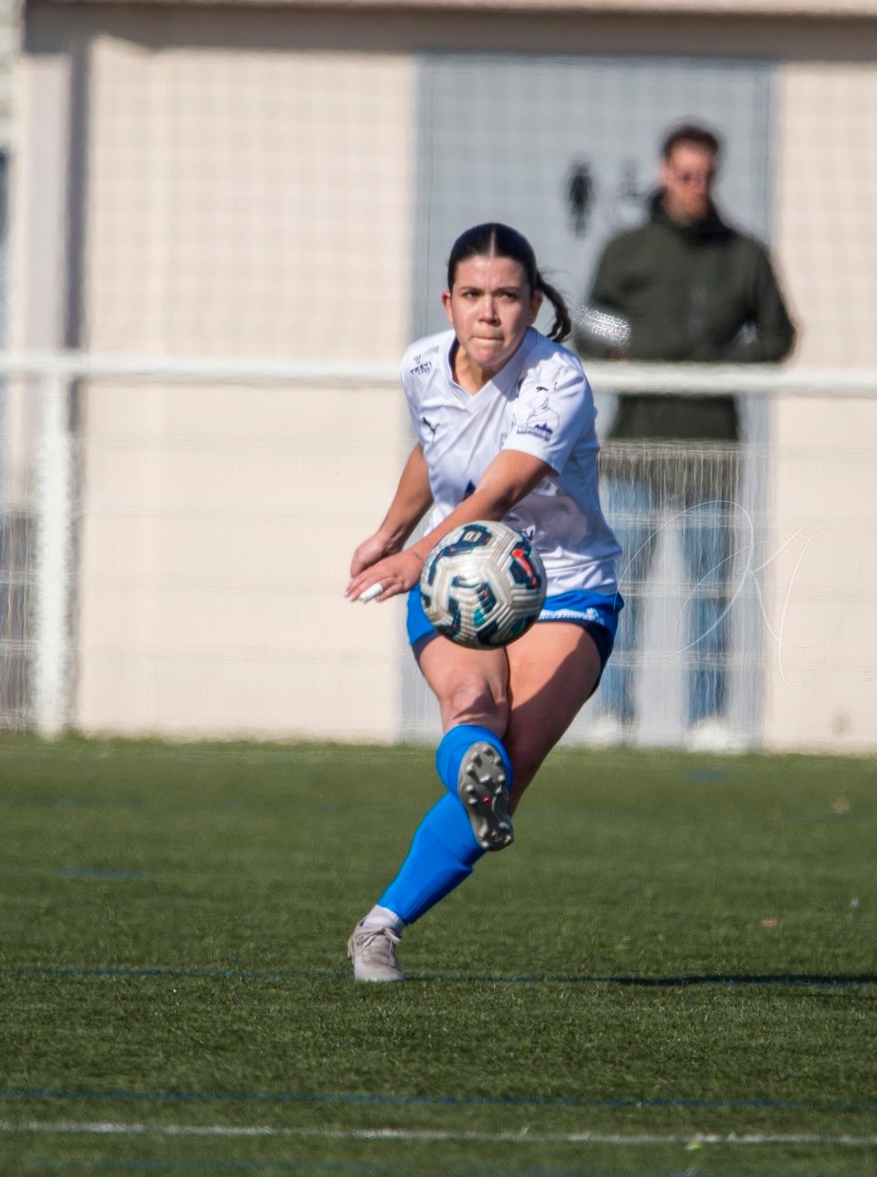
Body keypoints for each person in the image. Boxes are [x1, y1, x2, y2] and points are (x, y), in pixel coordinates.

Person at [343, 222, 622, 982]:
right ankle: (470, 760)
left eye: (506, 296)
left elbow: (505, 485)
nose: (489, 313)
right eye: (472, 296)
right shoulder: (422, 366)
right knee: (473, 710)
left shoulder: (556, 378)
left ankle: (381, 923)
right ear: (448, 301)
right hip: (456, 577)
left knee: (510, 765)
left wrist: (417, 551)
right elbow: (433, 450)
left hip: (565, 586)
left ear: (533, 304)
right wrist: (390, 531)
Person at [580, 122, 796, 749]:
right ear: (662, 172)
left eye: (704, 176)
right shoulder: (627, 250)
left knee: (711, 591)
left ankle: (709, 719)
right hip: (636, 447)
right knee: (619, 589)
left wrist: (723, 366)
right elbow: (591, 323)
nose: (693, 186)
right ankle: (613, 716)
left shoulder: (744, 255)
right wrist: (638, 350)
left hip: (711, 447)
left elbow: (780, 336)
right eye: (683, 173)